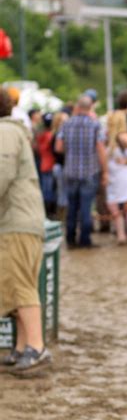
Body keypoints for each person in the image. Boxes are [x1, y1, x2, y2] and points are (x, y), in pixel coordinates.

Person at [0, 88, 52, 375]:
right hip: (22, 221)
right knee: (17, 283)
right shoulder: (13, 130)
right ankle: (22, 348)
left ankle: (36, 348)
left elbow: (1, 173)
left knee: (19, 285)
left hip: (16, 222)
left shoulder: (4, 132)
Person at [55, 95, 108, 248]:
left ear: (77, 107)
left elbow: (58, 147)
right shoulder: (95, 125)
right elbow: (100, 150)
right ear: (90, 107)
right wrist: (105, 172)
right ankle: (85, 240)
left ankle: (70, 239)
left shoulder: (66, 124)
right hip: (89, 172)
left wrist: (71, 151)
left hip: (70, 172)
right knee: (86, 207)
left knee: (71, 207)